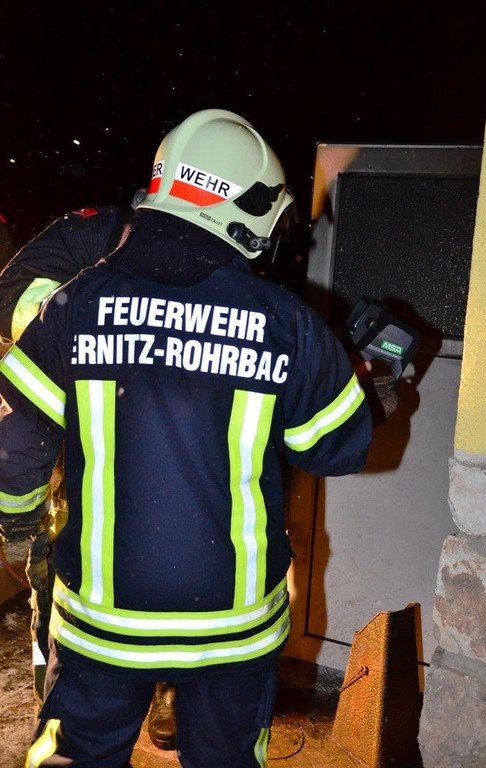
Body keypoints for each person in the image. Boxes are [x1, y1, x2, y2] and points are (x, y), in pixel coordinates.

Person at [0, 108, 373, 768]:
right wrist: (378, 385)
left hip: (103, 628)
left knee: (71, 757)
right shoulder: (287, 322)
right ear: (250, 210)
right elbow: (336, 448)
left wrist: (19, 529)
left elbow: (15, 453)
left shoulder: (76, 303)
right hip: (234, 632)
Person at [0, 197, 179, 750]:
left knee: (169, 575)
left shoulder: (199, 260)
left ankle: (168, 691)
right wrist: (81, 328)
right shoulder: (91, 235)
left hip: (154, 446)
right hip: (71, 445)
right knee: (57, 586)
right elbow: (13, 302)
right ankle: (56, 703)